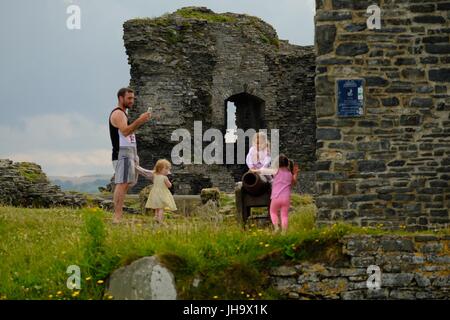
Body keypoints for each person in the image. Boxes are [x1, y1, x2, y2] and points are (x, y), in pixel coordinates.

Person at [109, 87, 151, 224]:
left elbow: (127, 136)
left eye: (133, 98)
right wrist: (140, 120)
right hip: (122, 154)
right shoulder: (118, 114)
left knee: (126, 184)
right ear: (121, 98)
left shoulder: (124, 114)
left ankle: (118, 215)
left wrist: (135, 155)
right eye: (129, 98)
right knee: (122, 184)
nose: (132, 101)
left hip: (128, 153)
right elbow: (126, 132)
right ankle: (117, 216)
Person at [256, 154, 299, 234]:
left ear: (277, 164)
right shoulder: (290, 174)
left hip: (276, 197)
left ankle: (276, 227)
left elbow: (263, 171)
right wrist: (295, 174)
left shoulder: (275, 171)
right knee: (284, 215)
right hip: (286, 198)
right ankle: (284, 232)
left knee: (273, 212)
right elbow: (294, 183)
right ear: (287, 164)